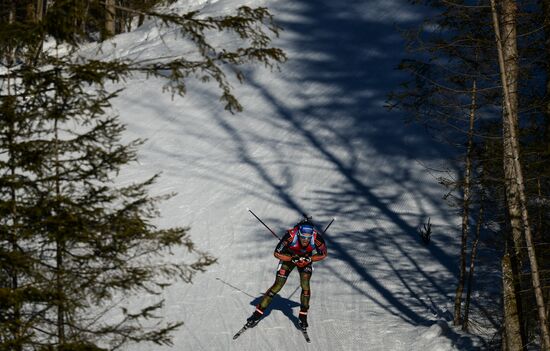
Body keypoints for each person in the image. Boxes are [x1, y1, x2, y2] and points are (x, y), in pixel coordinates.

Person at [245, 218, 328, 330]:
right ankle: (257, 315)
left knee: (305, 285)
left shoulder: (317, 238)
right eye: (303, 237)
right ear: (298, 233)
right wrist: (292, 258)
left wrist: (309, 259)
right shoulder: (290, 235)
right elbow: (277, 253)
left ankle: (303, 316)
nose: (305, 240)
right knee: (278, 285)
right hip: (289, 257)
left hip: (305, 260)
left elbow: (323, 254)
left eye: (308, 238)